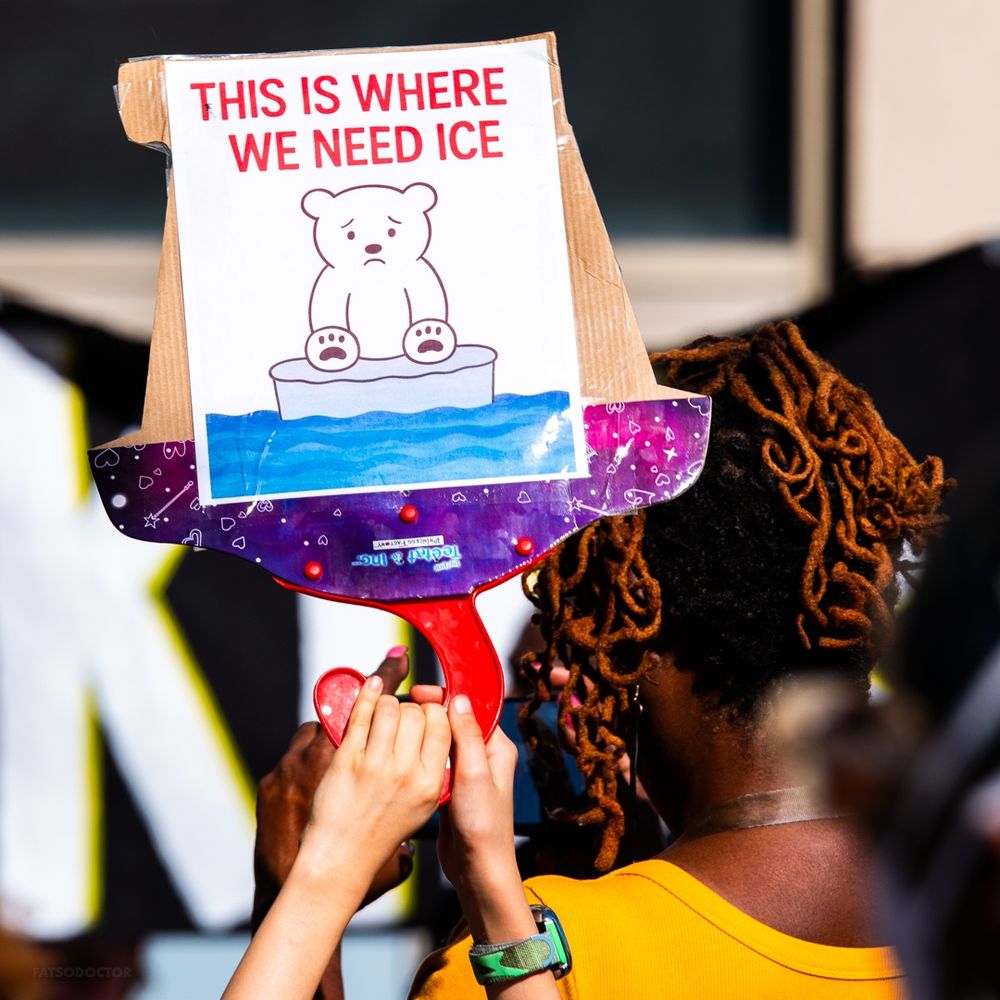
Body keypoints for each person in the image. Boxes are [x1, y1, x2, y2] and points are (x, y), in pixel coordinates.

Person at [251, 321, 951, 999]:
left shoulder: (525, 962)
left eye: (584, 632)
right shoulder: (967, 919)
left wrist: (301, 886)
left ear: (630, 637)